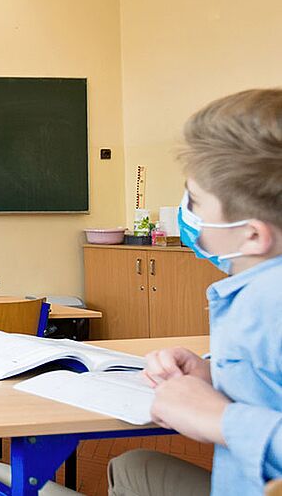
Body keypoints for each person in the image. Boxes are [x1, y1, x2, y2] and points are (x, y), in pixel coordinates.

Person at [106, 89, 282, 495]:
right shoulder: (255, 292)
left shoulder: (270, 300)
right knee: (134, 467)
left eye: (196, 202)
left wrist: (220, 419)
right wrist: (215, 375)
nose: (189, 213)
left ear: (253, 234)